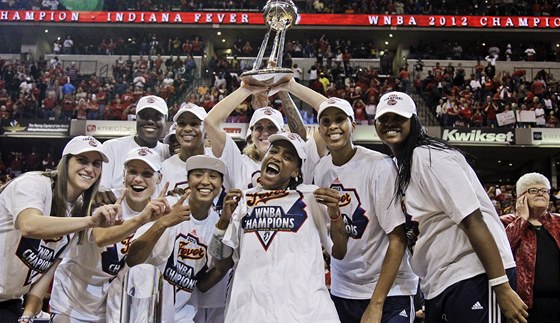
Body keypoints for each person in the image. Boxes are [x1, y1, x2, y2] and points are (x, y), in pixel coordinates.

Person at [373, 91, 528, 323]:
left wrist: (501, 287)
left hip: (476, 274)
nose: (390, 124)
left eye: (399, 118)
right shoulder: (401, 165)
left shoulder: (429, 156)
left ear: (413, 121)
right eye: (384, 119)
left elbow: (472, 220)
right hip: (443, 281)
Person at [209, 132, 348, 322]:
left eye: (287, 157)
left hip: (306, 312)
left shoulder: (311, 198)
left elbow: (339, 252)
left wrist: (336, 215)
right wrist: (223, 222)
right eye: (274, 151)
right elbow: (222, 264)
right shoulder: (243, 199)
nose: (277, 157)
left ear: (296, 172)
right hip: (250, 312)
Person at [309, 97, 418, 323]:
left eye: (340, 119)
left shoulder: (380, 166)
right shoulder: (320, 170)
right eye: (326, 121)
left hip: (389, 290)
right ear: (319, 130)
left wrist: (376, 304)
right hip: (344, 288)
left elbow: (397, 239)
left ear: (353, 125)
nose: (333, 126)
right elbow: (336, 240)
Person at [0, 136, 120, 323]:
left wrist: (28, 315)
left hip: (10, 301)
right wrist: (89, 221)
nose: (89, 169)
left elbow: (46, 270)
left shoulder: (78, 210)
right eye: (82, 160)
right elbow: (29, 225)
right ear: (65, 162)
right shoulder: (34, 184)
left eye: (96, 163)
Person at [48, 147, 169, 322]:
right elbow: (101, 238)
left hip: (109, 307)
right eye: (132, 172)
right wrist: (142, 219)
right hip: (72, 300)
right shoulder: (103, 199)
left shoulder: (160, 212)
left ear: (159, 179)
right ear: (123, 174)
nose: (138, 179)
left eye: (147, 174)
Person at [126, 155, 231, 323]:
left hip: (182, 315)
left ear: (220, 184)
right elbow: (133, 259)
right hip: (144, 311)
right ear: (187, 181)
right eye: (198, 175)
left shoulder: (217, 224)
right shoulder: (168, 206)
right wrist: (162, 223)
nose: (205, 181)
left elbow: (202, 285)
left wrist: (229, 257)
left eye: (213, 176)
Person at [501, 173, 560, 322]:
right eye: (533, 190)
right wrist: (522, 219)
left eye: (544, 190)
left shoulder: (558, 222)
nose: (540, 193)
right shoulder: (506, 222)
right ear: (520, 197)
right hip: (525, 308)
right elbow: (503, 250)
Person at [100, 95, 170, 190]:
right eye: (144, 115)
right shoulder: (112, 147)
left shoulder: (168, 152)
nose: (150, 121)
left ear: (165, 120)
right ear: (136, 118)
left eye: (157, 116)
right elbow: (102, 191)